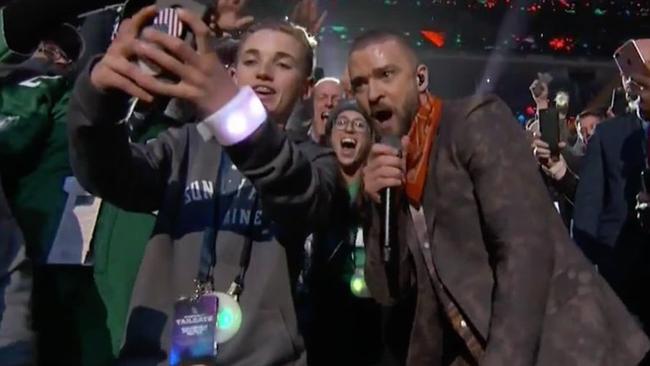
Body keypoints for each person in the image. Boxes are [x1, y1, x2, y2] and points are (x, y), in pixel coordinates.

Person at [349, 30, 649, 365]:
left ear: (420, 78)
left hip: (565, 349)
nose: (373, 93)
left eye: (386, 75)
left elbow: (525, 252)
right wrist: (376, 209)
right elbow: (388, 292)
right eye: (359, 84)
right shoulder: (383, 170)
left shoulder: (473, 123)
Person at [68, 7, 340, 366]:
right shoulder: (184, 145)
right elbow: (107, 174)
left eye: (283, 64)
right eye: (251, 61)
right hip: (159, 356)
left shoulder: (316, 161)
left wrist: (234, 115)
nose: (263, 72)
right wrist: (101, 97)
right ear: (231, 74)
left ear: (306, 88)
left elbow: (304, 197)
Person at [573, 71, 650, 334]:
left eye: (645, 84)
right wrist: (586, 274)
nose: (639, 92)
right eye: (634, 86)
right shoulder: (608, 135)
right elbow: (587, 209)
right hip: (619, 269)